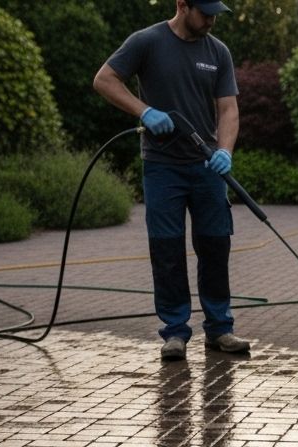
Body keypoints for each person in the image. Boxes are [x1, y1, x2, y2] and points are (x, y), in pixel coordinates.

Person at [93, 0, 250, 361]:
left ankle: (220, 329)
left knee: (215, 245)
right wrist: (144, 111)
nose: (211, 20)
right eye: (205, 12)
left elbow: (228, 109)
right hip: (162, 168)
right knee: (167, 250)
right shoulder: (146, 41)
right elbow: (104, 79)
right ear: (183, 4)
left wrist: (225, 151)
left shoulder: (218, 51)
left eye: (215, 14)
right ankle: (175, 332)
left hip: (208, 166)